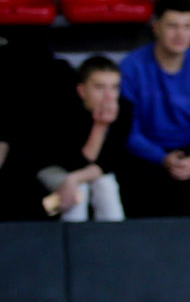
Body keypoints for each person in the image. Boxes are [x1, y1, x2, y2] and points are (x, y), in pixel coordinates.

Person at [120, 0, 190, 217]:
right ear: (156, 27)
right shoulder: (131, 68)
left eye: (187, 27)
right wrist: (161, 158)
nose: (180, 34)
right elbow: (127, 130)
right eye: (172, 26)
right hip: (147, 156)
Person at [31, 56, 129, 221]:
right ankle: (70, 243)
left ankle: (114, 241)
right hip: (53, 168)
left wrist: (73, 179)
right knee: (80, 191)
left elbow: (110, 162)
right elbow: (74, 164)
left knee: (106, 186)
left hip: (87, 174)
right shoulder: (64, 111)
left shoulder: (124, 109)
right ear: (82, 90)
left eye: (114, 87)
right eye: (99, 87)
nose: (109, 96)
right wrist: (100, 127)